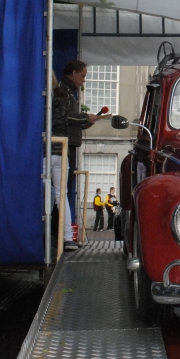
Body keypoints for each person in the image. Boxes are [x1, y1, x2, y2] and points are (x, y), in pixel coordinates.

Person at [52, 60, 107, 246]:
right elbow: (63, 117)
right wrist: (85, 117)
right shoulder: (62, 92)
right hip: (60, 148)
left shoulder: (68, 92)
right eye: (82, 75)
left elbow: (67, 119)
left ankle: (62, 236)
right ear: (73, 73)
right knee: (60, 193)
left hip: (66, 147)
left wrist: (85, 122)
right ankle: (64, 237)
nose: (84, 80)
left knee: (59, 193)